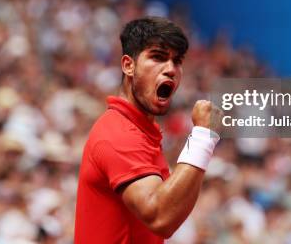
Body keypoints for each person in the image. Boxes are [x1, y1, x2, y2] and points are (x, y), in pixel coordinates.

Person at [74, 16, 222, 243]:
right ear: (128, 65)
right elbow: (160, 217)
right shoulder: (118, 133)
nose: (171, 69)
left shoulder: (141, 131)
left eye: (177, 61)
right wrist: (203, 136)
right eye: (158, 57)